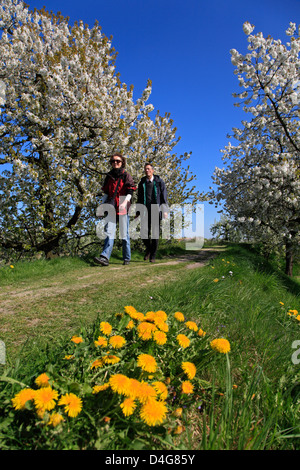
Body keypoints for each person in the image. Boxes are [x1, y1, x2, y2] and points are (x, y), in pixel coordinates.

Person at [94, 153, 136, 266]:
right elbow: (106, 193)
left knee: (124, 234)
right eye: (113, 161)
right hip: (111, 206)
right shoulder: (109, 176)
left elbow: (130, 191)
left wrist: (125, 202)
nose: (115, 163)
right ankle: (105, 257)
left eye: (118, 161)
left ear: (122, 162)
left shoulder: (126, 175)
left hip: (122, 206)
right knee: (109, 232)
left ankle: (127, 258)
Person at [137, 162, 168, 263]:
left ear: (153, 170)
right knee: (143, 233)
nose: (147, 170)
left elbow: (164, 196)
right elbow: (139, 198)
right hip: (145, 210)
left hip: (156, 210)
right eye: (145, 169)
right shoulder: (142, 183)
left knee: (155, 234)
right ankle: (149, 249)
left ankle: (153, 255)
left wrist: (165, 210)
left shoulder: (159, 182)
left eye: (149, 169)